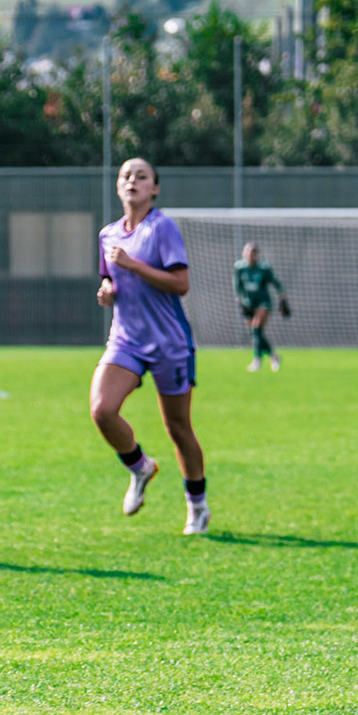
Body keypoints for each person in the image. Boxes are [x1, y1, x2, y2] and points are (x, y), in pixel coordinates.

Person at [92, 157, 208, 536]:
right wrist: (107, 292)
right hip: (126, 338)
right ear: (118, 185)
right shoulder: (108, 234)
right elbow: (111, 280)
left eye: (142, 176)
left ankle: (197, 505)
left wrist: (134, 265)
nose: (132, 181)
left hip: (168, 342)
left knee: (178, 428)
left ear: (154, 188)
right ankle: (140, 467)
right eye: (126, 175)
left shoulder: (163, 229)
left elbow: (180, 284)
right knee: (102, 409)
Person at [234, 242, 289, 373]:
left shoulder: (264, 268)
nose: (249, 255)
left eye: (252, 252)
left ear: (256, 255)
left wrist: (282, 296)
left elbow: (275, 282)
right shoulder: (239, 267)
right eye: (246, 252)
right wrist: (239, 300)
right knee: (255, 333)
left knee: (257, 327)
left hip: (263, 303)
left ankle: (257, 360)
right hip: (248, 304)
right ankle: (273, 356)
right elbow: (237, 286)